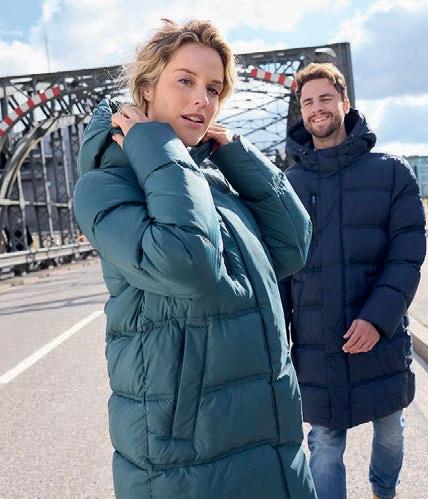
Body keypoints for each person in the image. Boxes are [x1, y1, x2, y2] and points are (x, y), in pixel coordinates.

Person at [73, 19, 317, 499]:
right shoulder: (105, 186)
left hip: (270, 435)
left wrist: (237, 155)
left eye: (213, 88)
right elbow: (188, 264)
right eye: (185, 80)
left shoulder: (209, 182)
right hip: (189, 458)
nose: (202, 99)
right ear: (146, 87)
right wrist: (155, 146)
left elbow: (291, 245)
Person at [280, 63, 427, 499]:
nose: (316, 108)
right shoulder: (288, 184)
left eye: (325, 98)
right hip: (317, 341)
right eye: (308, 102)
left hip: (380, 333)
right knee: (324, 444)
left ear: (345, 103)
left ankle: (384, 490)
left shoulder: (392, 173)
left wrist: (377, 320)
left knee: (391, 430)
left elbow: (407, 256)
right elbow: (281, 269)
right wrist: (278, 337)